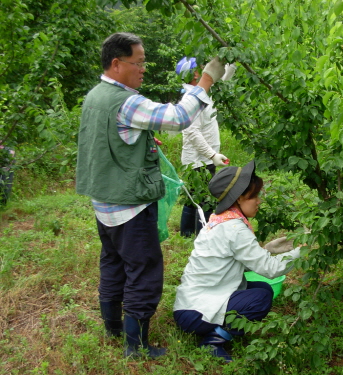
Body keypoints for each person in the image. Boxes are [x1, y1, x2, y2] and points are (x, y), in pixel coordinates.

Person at [75, 32, 227, 359]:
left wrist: (140, 141)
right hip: (130, 208)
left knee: (113, 264)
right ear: (117, 64)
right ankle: (137, 347)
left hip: (104, 205)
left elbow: (105, 140)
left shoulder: (96, 95)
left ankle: (113, 328)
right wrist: (206, 79)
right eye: (138, 62)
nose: (143, 69)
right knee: (143, 272)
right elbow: (176, 119)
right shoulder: (126, 102)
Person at [173, 160, 302, 362]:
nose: (259, 201)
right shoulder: (234, 228)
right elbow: (272, 269)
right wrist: (303, 251)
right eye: (255, 196)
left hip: (191, 304)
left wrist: (268, 249)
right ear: (240, 197)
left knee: (263, 288)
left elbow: (234, 257)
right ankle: (213, 341)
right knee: (260, 298)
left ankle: (218, 330)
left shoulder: (222, 220)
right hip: (195, 312)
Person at [175, 56, 237, 237]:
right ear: (195, 73)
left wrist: (231, 63)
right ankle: (204, 237)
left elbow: (222, 82)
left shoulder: (202, 94)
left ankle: (186, 235)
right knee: (205, 201)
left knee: (192, 198)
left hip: (200, 159)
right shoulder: (191, 99)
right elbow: (191, 132)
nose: (206, 69)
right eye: (202, 67)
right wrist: (211, 155)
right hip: (198, 161)